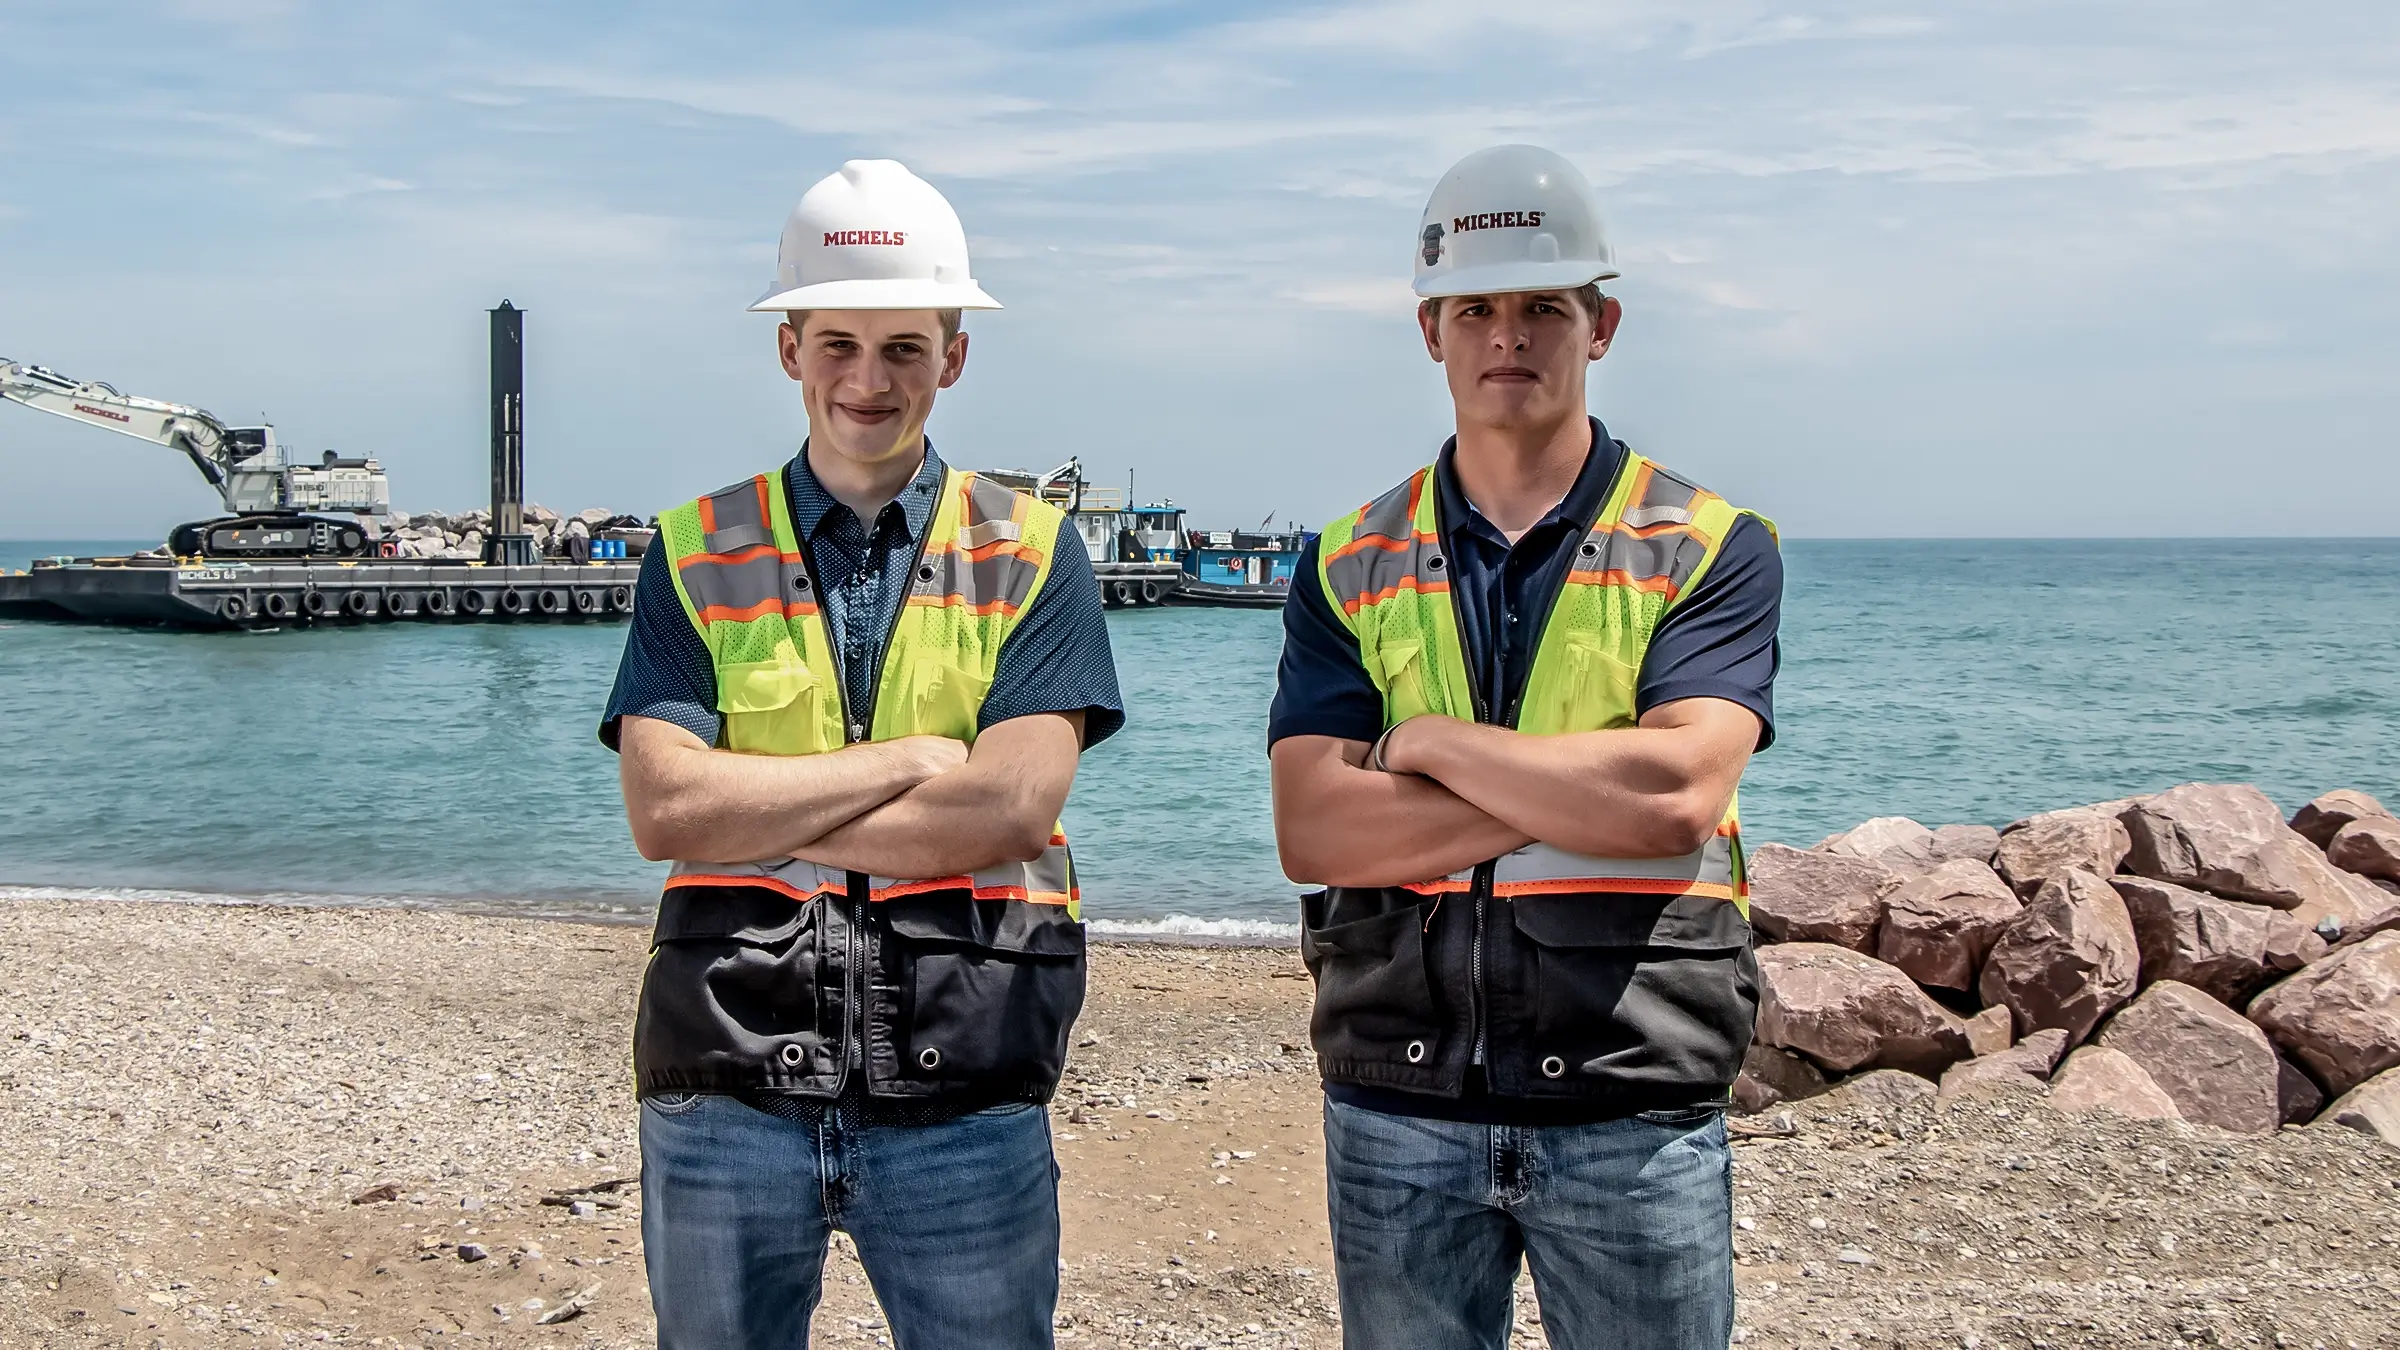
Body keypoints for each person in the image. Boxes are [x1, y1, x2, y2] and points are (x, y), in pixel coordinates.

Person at [601, 159, 1123, 1350]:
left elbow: (1008, 809)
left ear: (953, 354)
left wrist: (759, 808)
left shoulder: (1036, 551)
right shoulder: (692, 550)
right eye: (837, 343)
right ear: (791, 350)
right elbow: (665, 811)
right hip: (726, 1076)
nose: (867, 380)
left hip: (967, 1078)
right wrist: (913, 759)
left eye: (902, 347)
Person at [1268, 144, 1784, 1350]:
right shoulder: (1348, 561)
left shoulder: (1706, 544)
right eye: (1479, 310)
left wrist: (1434, 742)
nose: (1511, 336)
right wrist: (1576, 785)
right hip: (1399, 1092)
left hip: (1631, 1091)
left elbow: (1674, 795)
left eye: (1543, 307)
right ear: (1431, 331)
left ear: (1599, 324)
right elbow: (1316, 828)